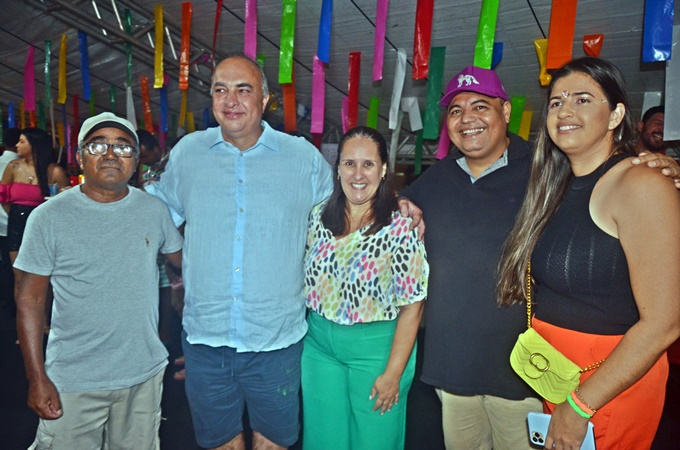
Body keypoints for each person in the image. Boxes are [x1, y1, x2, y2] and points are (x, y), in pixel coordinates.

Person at [496, 57, 680, 449]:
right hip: (557, 375)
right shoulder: (556, 185)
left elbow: (664, 323)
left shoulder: (642, 183)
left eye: (582, 99)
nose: (565, 110)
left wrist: (580, 405)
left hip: (606, 386)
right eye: (556, 102)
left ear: (616, 115)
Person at [14, 112, 183, 449]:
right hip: (73, 378)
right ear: (79, 157)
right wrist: (36, 377)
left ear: (135, 161)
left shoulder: (153, 210)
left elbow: (186, 264)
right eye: (97, 145)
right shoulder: (49, 216)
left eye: (123, 147)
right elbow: (30, 300)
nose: (110, 154)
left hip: (142, 374)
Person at [400, 65, 543, 449]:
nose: (467, 119)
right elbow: (396, 205)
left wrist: (650, 163)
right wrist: (399, 202)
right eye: (456, 110)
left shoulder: (543, 167)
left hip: (521, 372)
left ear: (505, 111)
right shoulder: (437, 178)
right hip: (453, 370)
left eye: (480, 106)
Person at [301, 126, 429, 449]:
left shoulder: (401, 226)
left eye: (368, 164)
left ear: (383, 169)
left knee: (374, 441)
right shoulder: (318, 217)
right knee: (323, 441)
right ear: (338, 168)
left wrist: (393, 375)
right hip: (319, 347)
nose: (358, 174)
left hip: (377, 351)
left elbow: (413, 306)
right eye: (349, 163)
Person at [0, 128, 69, 300]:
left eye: (22, 141)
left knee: (43, 279)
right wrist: (15, 215)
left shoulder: (54, 171)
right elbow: (3, 197)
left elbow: (66, 203)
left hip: (43, 229)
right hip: (16, 226)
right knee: (19, 278)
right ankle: (20, 315)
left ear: (35, 145)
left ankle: (44, 316)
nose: (17, 145)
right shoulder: (13, 166)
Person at [0, 127, 20, 314]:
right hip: (13, 222)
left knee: (6, 264)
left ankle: (7, 303)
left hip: (5, 222)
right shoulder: (17, 165)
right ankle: (12, 304)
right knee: (14, 266)